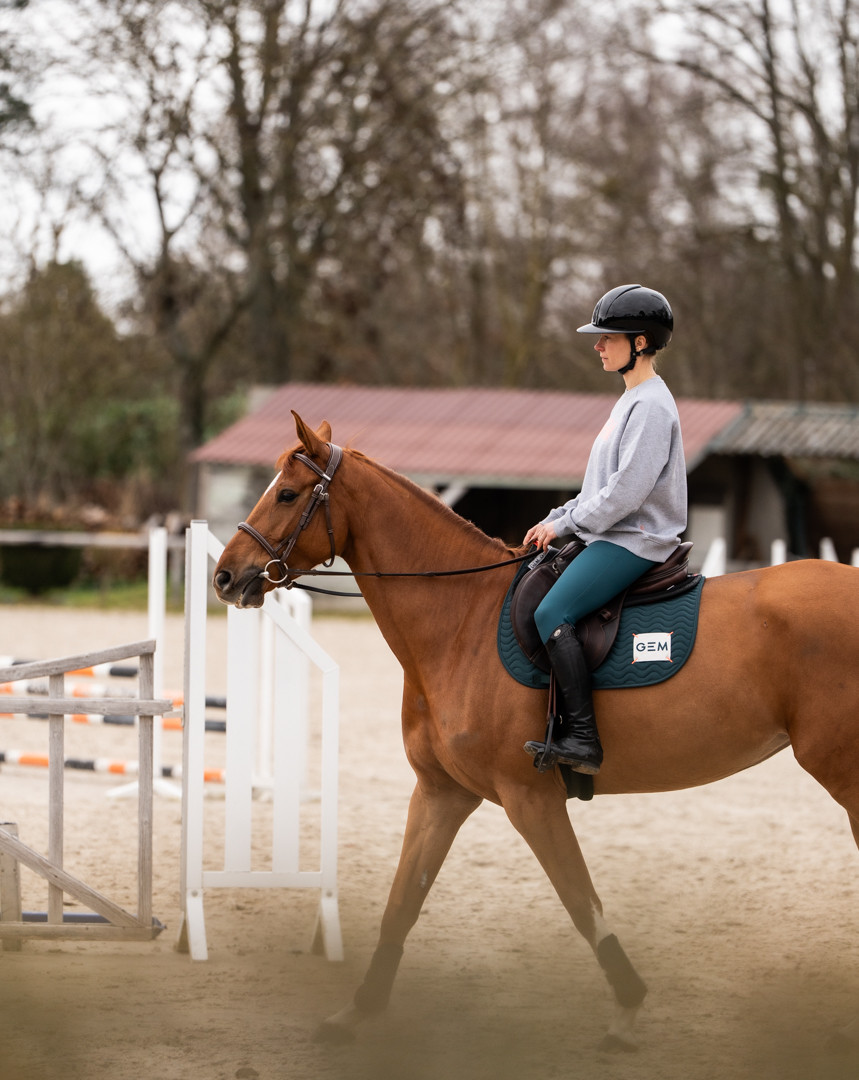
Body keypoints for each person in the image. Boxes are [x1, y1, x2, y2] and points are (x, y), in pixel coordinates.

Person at [522, 283, 687, 775]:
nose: (597, 345)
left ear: (640, 342)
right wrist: (556, 518)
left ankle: (583, 740)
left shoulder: (652, 406)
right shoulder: (629, 401)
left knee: (552, 611)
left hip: (635, 540)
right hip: (609, 532)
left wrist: (569, 525)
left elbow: (625, 494)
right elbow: (600, 487)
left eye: (607, 337)